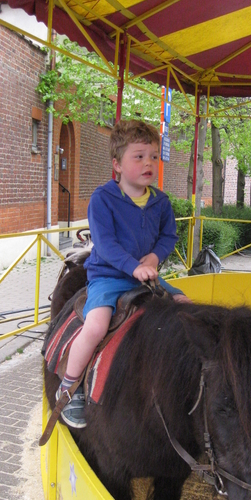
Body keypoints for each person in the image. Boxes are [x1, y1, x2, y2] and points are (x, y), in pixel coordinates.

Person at [56, 119, 188, 428]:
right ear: (117, 164)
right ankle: (69, 387)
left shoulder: (160, 201)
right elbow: (105, 244)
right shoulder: (103, 199)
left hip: (146, 275)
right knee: (97, 325)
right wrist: (134, 266)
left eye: (154, 156)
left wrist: (154, 258)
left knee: (185, 306)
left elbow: (168, 236)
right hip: (109, 277)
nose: (149, 163)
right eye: (139, 156)